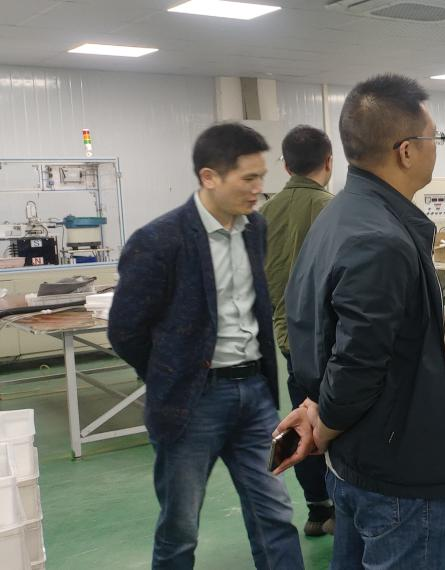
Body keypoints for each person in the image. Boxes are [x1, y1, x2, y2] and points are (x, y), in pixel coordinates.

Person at [280, 74, 445, 570]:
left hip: (359, 461)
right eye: (434, 137)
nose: (436, 148)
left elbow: (323, 332)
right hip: (398, 471)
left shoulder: (342, 214)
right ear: (406, 150)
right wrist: (325, 424)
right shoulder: (381, 238)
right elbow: (358, 361)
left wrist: (316, 404)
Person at [108, 122, 303, 569]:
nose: (258, 189)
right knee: (180, 527)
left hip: (254, 396)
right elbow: (125, 330)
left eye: (261, 177)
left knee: (275, 514)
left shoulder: (255, 229)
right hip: (192, 401)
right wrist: (172, 372)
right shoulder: (159, 240)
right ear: (209, 177)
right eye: (248, 178)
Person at [259, 124, 336, 537]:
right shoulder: (334, 209)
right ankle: (345, 506)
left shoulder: (264, 214)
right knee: (336, 418)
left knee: (300, 417)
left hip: (289, 339)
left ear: (286, 166)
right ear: (329, 161)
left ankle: (316, 509)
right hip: (331, 342)